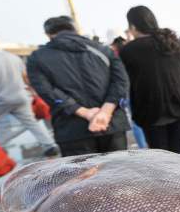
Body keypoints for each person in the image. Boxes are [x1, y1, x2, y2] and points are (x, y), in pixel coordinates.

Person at [26, 16, 131, 156]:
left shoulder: (37, 58)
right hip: (111, 124)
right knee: (118, 173)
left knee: (82, 176)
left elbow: (46, 91)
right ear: (75, 29)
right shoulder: (103, 50)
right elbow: (121, 82)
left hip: (71, 130)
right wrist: (105, 112)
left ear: (48, 34)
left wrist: (83, 112)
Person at [119, 6, 180, 154]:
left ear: (133, 26)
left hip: (150, 111)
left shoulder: (128, 50)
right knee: (179, 150)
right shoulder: (173, 42)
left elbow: (123, 82)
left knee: (160, 156)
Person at [0, 37, 58, 156]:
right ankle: (49, 145)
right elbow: (25, 77)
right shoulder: (13, 57)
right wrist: (33, 92)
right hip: (21, 97)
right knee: (31, 122)